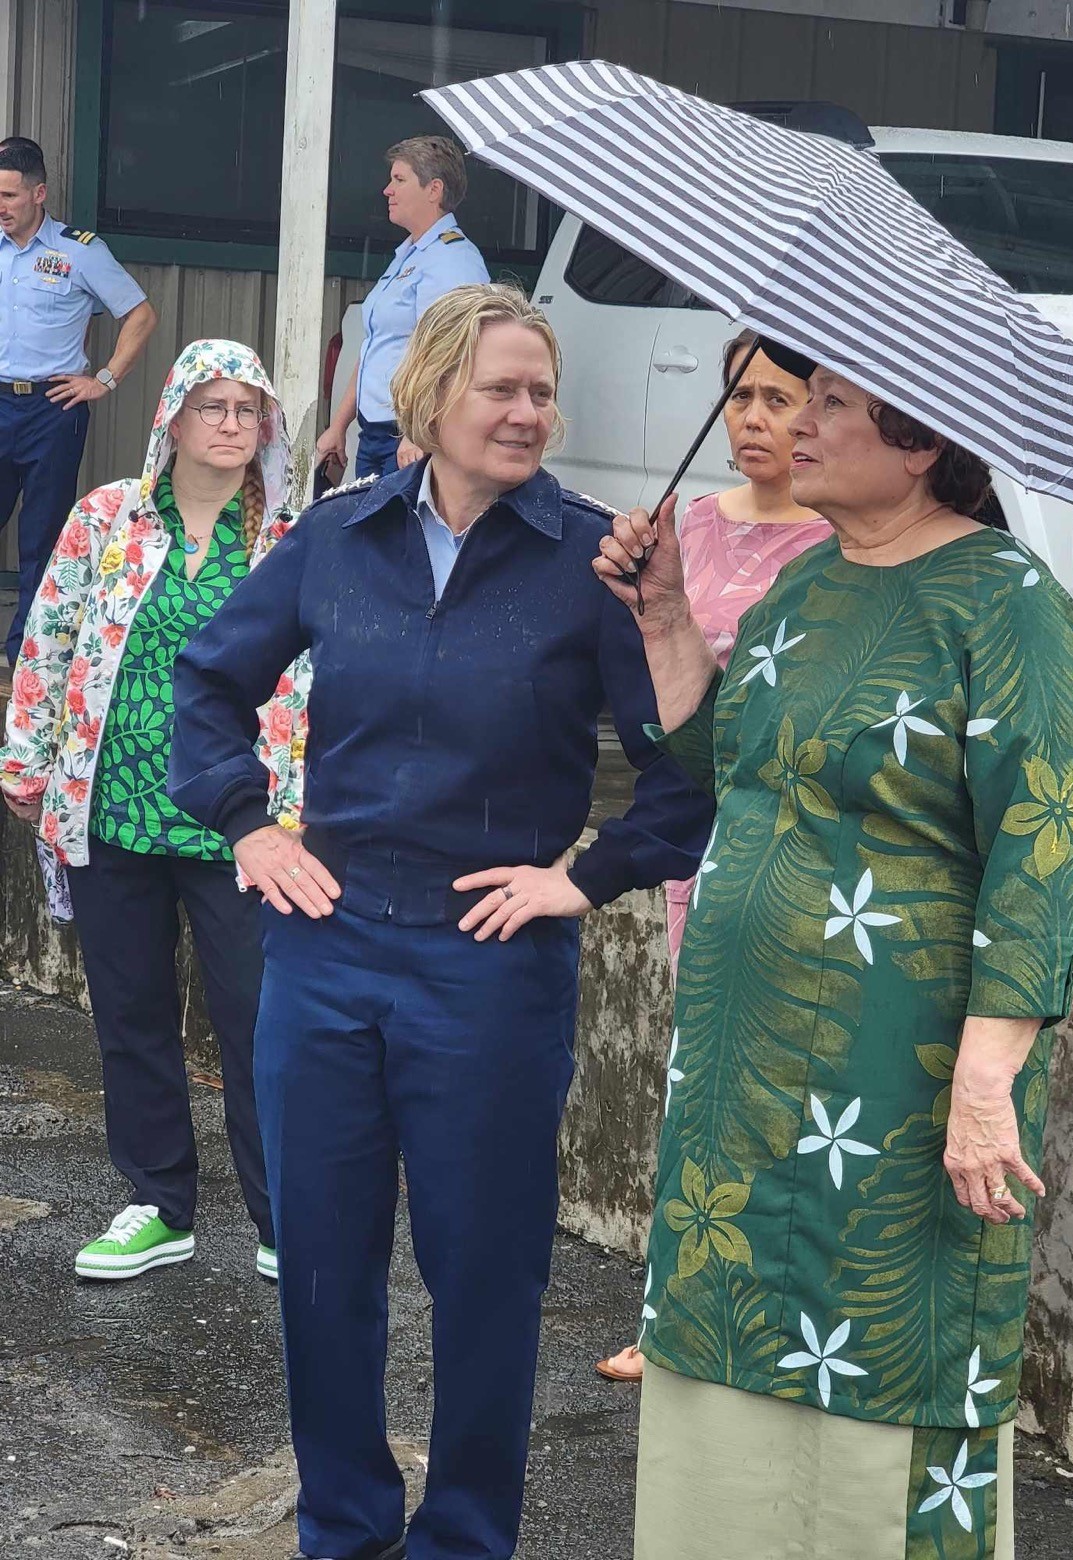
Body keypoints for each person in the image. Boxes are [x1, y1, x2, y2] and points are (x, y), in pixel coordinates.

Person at [167, 283, 712, 1560]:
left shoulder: (593, 560)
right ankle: (343, 1529)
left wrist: (585, 879)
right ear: (428, 396)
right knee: (319, 1267)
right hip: (327, 947)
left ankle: (465, 1538)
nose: (528, 413)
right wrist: (249, 826)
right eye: (500, 389)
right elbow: (209, 682)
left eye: (542, 393)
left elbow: (686, 770)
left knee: (485, 1275)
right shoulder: (337, 535)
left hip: (490, 963)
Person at [594, 358, 1073, 1560]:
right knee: (728, 1324)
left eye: (830, 403)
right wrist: (663, 615)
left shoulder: (1006, 601)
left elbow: (1048, 842)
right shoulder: (805, 582)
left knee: (885, 1331)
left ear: (919, 439)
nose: (796, 425)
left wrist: (986, 1080)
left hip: (899, 1072)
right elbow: (727, 764)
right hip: (741, 1065)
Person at [0, 339, 298, 1285]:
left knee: (261, 1022)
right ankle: (158, 1203)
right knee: (130, 1016)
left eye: (248, 409)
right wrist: (26, 761)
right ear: (173, 415)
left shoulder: (291, 539)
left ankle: (285, 1218)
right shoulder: (107, 518)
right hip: (115, 807)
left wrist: (311, 805)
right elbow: (50, 637)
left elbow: (322, 678)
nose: (232, 425)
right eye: (214, 406)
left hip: (244, 827)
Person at [596, 332, 833, 1386]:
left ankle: (773, 1316)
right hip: (701, 834)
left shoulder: (837, 544)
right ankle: (677, 1310)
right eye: (741, 396)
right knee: (701, 1077)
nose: (755, 419)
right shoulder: (687, 525)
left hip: (795, 838)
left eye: (781, 399)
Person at [0, 136, 158, 664]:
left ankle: (27, 660)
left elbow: (140, 314)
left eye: (10, 196)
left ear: (39, 193)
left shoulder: (79, 251)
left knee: (42, 539)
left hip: (52, 409)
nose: (1, 207)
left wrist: (105, 380)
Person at [316, 135, 488, 482]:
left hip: (411, 437)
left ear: (434, 189)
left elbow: (452, 353)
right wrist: (338, 425)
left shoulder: (452, 260)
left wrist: (420, 429)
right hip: (377, 433)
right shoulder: (410, 254)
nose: (387, 190)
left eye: (399, 179)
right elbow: (377, 346)